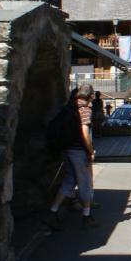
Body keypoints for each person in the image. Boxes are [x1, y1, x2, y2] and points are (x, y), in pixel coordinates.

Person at [45, 85, 98, 230]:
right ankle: (87, 216)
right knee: (84, 182)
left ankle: (53, 211)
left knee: (69, 180)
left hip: (67, 149)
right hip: (78, 151)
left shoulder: (69, 106)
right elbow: (85, 133)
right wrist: (91, 150)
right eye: (93, 94)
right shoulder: (85, 110)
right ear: (90, 96)